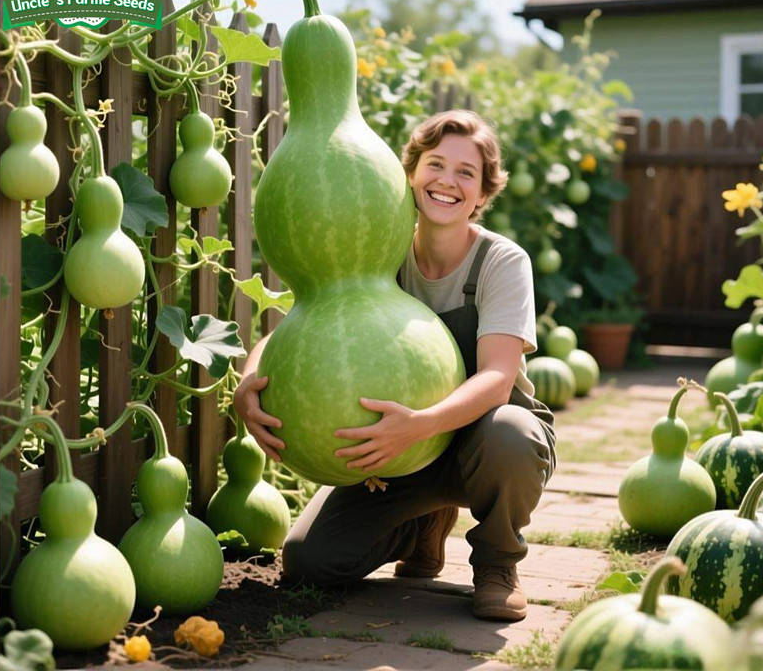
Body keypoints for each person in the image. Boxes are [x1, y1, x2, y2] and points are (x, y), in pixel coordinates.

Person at [234, 110, 557, 622]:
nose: (447, 181)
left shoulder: (501, 262)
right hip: (398, 455)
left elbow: (497, 379)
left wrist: (420, 427)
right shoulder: (380, 255)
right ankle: (423, 527)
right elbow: (296, 324)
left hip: (479, 443)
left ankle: (498, 564)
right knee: (309, 562)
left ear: (482, 194)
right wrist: (250, 380)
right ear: (410, 174)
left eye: (466, 173)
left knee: (512, 433)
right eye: (435, 164)